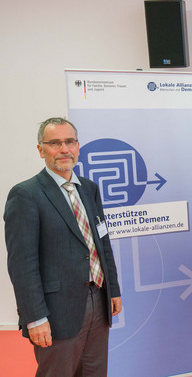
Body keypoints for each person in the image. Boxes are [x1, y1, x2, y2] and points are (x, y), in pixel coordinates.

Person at [4, 117, 122, 376]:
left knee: (94, 372)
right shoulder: (26, 195)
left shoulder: (89, 189)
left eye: (69, 142)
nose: (64, 149)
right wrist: (35, 317)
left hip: (98, 301)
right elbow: (22, 265)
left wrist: (112, 289)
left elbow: (102, 242)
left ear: (78, 147)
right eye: (55, 143)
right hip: (56, 311)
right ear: (40, 149)